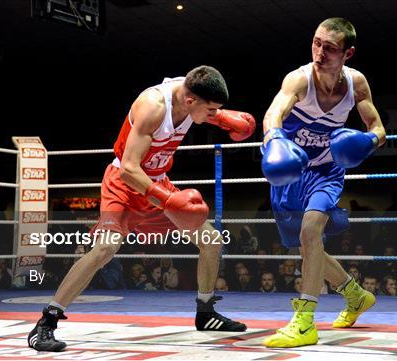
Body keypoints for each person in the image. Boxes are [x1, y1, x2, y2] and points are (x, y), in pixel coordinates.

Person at [28, 66, 255, 351]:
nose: (214, 115)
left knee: (211, 241)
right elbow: (129, 170)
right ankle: (46, 323)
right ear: (190, 101)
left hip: (157, 183)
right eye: (211, 109)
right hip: (125, 185)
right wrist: (169, 201)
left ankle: (206, 313)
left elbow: (207, 106)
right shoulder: (153, 107)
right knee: (104, 249)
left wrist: (230, 121)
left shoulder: (192, 96)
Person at [260, 17, 386, 347]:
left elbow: (378, 128)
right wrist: (274, 139)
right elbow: (273, 114)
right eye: (316, 43)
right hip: (292, 171)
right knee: (304, 244)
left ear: (348, 53)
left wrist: (367, 142)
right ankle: (354, 294)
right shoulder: (299, 80)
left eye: (329, 48)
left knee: (310, 231)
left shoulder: (356, 84)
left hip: (327, 171)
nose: (319, 53)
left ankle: (304, 321)